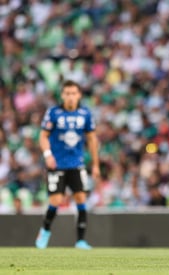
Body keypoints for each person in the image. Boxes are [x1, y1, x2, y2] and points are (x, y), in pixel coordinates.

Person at [35, 80, 100, 249]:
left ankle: (80, 240)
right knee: (55, 200)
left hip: (77, 163)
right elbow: (43, 136)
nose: (70, 97)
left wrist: (95, 164)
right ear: (62, 95)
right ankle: (45, 230)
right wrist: (48, 155)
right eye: (67, 93)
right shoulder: (54, 113)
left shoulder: (85, 114)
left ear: (79, 95)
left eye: (73, 93)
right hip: (57, 164)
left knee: (81, 199)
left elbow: (92, 139)